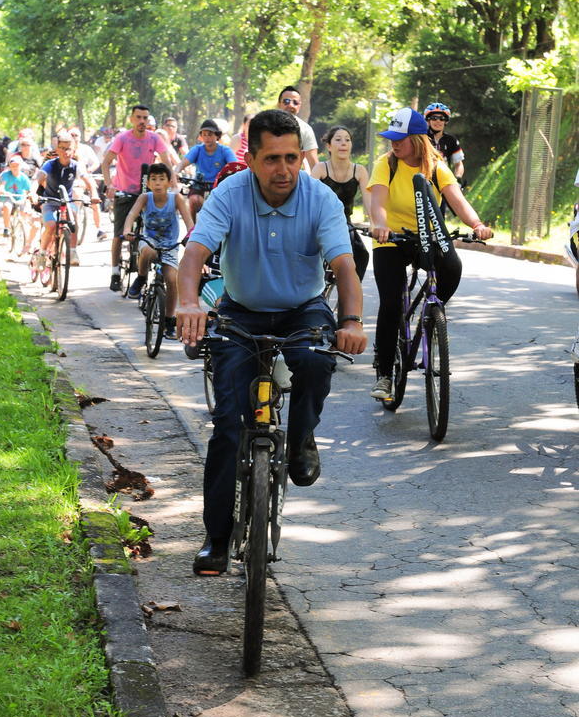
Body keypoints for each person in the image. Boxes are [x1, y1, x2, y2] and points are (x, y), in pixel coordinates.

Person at [177, 109, 367, 575]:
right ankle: (216, 539)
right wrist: (187, 304)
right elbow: (196, 253)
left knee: (317, 361)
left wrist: (354, 321)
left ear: (302, 156)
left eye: (291, 158)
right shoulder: (229, 193)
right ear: (253, 159)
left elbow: (344, 267)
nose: (283, 170)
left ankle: (301, 439)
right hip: (241, 310)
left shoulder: (321, 198)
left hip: (303, 307)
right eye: (271, 160)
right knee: (226, 425)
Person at [368, 107, 492, 401]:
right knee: (390, 304)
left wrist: (476, 224)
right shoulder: (386, 164)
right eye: (391, 139)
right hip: (392, 239)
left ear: (418, 139)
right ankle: (385, 374)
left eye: (401, 139)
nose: (394, 144)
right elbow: (378, 203)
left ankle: (430, 314)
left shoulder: (436, 166)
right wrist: (381, 226)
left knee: (453, 266)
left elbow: (457, 200)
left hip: (428, 235)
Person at [100, 105, 175, 291]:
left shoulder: (154, 138)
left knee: (153, 230)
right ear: (132, 119)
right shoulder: (122, 138)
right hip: (124, 191)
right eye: (139, 117)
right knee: (119, 233)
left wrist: (172, 181)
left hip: (146, 192)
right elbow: (106, 162)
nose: (142, 121)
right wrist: (110, 184)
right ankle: (115, 272)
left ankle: (148, 265)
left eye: (145, 118)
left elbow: (166, 161)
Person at [122, 164, 194, 339]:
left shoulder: (176, 198)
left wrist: (192, 237)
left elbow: (189, 221)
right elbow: (132, 214)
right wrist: (127, 230)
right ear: (148, 182)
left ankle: (169, 320)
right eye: (153, 179)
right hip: (150, 240)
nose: (158, 183)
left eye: (162, 179)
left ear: (169, 182)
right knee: (147, 251)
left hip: (170, 244)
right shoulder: (145, 198)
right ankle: (141, 277)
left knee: (172, 279)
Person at [311, 125, 371, 281]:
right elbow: (308, 199)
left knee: (361, 255)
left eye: (347, 140)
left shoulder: (359, 171)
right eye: (338, 140)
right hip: (320, 222)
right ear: (329, 146)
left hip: (345, 223)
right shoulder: (320, 169)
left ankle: (349, 296)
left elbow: (369, 200)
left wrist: (374, 223)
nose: (343, 143)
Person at [32, 131, 100, 268]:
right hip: (50, 201)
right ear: (57, 149)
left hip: (67, 202)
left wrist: (94, 194)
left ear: (73, 149)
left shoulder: (76, 165)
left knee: (74, 218)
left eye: (68, 148)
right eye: (62, 148)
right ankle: (42, 254)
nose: (65, 152)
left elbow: (89, 181)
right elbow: (38, 179)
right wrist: (33, 192)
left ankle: (73, 251)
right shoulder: (50, 164)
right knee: (51, 225)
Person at [178, 119, 237, 222]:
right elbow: (183, 163)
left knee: (220, 207)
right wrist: (176, 172)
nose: (207, 138)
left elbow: (234, 166)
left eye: (210, 134)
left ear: (217, 136)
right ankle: (192, 228)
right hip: (199, 184)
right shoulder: (197, 149)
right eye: (204, 134)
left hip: (218, 186)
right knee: (194, 200)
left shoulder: (225, 151)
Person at [68, 126, 107, 241]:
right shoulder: (65, 149)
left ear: (80, 137)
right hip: (69, 180)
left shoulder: (86, 149)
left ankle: (99, 229)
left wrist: (88, 171)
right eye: (72, 135)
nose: (74, 138)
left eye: (76, 135)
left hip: (84, 178)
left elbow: (95, 163)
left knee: (94, 199)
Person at [276, 86, 318, 169]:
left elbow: (313, 163)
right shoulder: (266, 125)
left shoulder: (306, 129)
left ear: (299, 106)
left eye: (295, 102)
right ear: (279, 104)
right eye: (286, 101)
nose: (291, 105)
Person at [0, 154, 31, 238]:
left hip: (20, 196)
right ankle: (6, 228)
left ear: (20, 166)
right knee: (7, 207)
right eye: (12, 166)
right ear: (9, 167)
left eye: (17, 165)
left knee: (26, 211)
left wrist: (30, 195)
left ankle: (24, 228)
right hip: (9, 196)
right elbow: (2, 185)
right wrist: (2, 190)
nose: (15, 167)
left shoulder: (24, 177)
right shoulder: (7, 175)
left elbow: (28, 190)